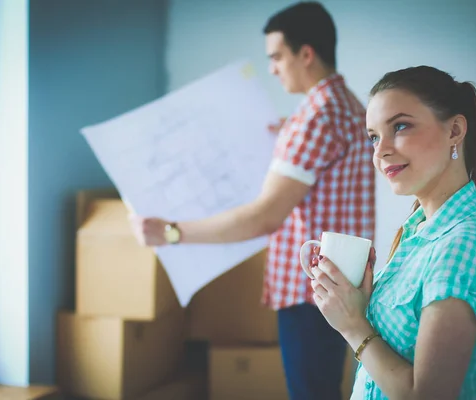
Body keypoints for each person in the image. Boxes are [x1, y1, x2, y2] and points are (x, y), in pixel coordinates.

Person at [129, 2, 375, 399]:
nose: (273, 69)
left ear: (306, 54)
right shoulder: (347, 106)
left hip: (309, 292)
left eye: (277, 56)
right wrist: (290, 135)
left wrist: (170, 232)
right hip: (338, 286)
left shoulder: (316, 117)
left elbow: (264, 218)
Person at [310, 65, 476, 399]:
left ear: (454, 131)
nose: (380, 151)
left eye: (400, 126)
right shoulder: (420, 229)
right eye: (374, 137)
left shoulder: (463, 246)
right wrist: (357, 305)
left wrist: (353, 326)